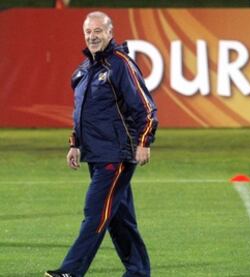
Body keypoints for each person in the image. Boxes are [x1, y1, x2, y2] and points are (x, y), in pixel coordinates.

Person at [45, 11, 158, 277]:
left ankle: (71, 271)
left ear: (110, 32)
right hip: (95, 154)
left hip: (116, 155)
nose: (92, 36)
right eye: (88, 32)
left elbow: (146, 107)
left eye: (98, 31)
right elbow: (81, 113)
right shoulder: (84, 71)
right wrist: (75, 143)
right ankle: (139, 272)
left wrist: (144, 141)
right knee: (120, 220)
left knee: (95, 213)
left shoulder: (121, 65)